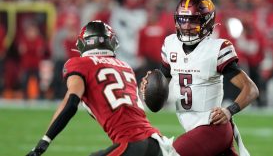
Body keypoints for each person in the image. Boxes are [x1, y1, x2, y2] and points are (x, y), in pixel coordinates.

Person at [26, 20, 178, 156]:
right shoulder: (125, 67)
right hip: (157, 143)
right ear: (111, 42)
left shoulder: (79, 64)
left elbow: (71, 102)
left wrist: (44, 141)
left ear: (82, 43)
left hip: (131, 144)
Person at [141, 0, 259, 156]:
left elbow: (251, 89)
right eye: (183, 20)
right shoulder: (171, 44)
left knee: (168, 154)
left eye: (194, 20)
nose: (187, 26)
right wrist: (148, 88)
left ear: (207, 21)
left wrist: (229, 110)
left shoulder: (216, 49)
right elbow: (161, 85)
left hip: (213, 128)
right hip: (196, 130)